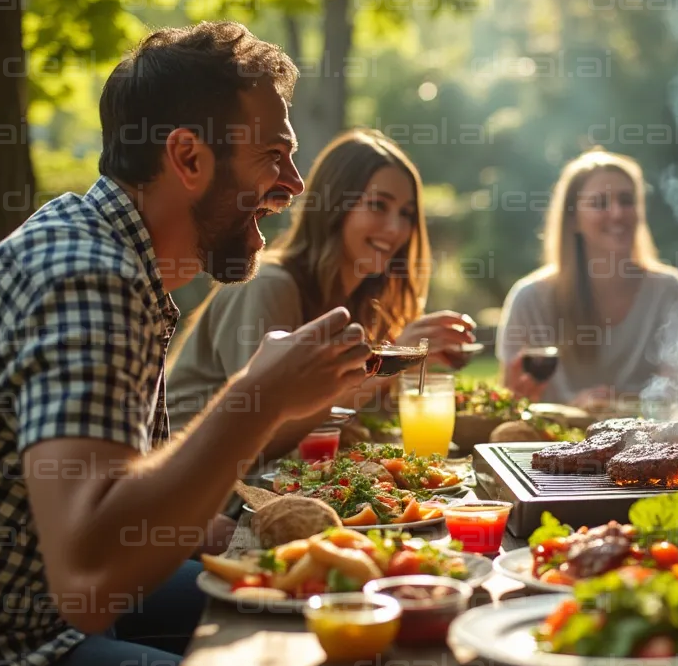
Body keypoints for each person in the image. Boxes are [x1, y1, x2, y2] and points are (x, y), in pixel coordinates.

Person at [0, 22, 374, 666]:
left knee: (307, 611)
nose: (295, 185)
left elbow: (108, 499)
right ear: (187, 156)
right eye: (273, 156)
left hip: (40, 613)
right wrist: (258, 398)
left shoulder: (112, 253)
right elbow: (89, 579)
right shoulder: (87, 276)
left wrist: (195, 521)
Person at [166, 127, 476, 456]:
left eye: (406, 214)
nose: (395, 228)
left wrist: (402, 369)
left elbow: (355, 424)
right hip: (203, 492)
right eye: (377, 206)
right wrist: (389, 364)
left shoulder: (363, 303)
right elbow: (263, 435)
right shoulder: (268, 286)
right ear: (333, 207)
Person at [497, 148, 678, 407]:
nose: (617, 213)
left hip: (645, 443)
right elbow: (511, 401)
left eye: (626, 200)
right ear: (573, 220)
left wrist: (617, 409)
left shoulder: (667, 289)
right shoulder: (529, 299)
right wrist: (573, 408)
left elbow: (673, 390)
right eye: (599, 203)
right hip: (553, 443)